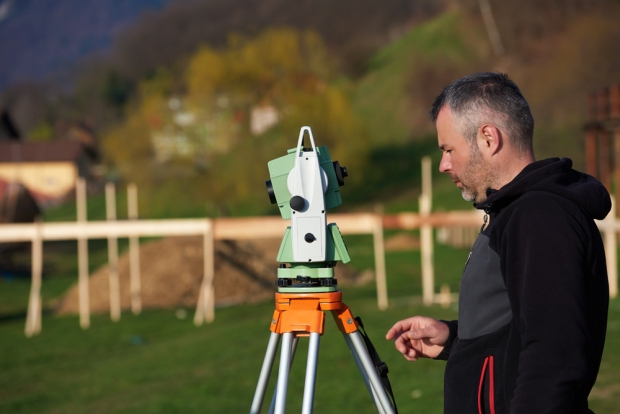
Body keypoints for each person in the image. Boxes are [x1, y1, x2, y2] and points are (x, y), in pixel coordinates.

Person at [386, 72, 610, 413]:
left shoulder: (540, 216)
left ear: (488, 138)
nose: (444, 164)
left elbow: (554, 354)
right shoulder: (516, 211)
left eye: (448, 149)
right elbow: (521, 324)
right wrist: (454, 338)